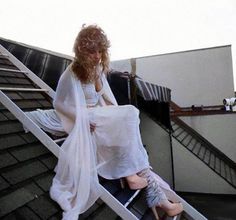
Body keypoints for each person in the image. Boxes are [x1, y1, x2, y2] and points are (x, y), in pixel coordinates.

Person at [26, 24, 183, 220]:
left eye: (101, 51)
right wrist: (81, 120)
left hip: (98, 116)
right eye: (93, 51)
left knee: (130, 131)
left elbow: (104, 97)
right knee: (131, 114)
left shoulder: (97, 69)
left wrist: (112, 116)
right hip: (85, 117)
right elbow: (59, 103)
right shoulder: (71, 73)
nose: (98, 55)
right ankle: (149, 191)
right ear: (82, 51)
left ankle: (157, 197)